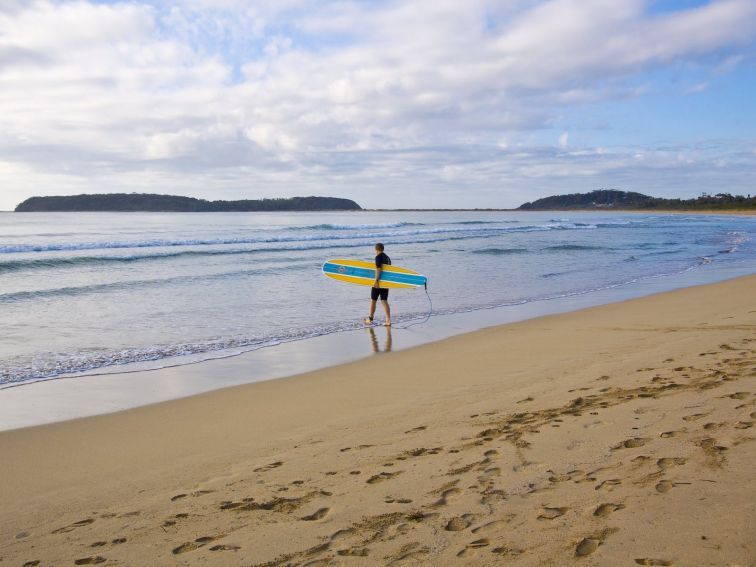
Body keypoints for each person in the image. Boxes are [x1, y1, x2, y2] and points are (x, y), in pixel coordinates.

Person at [364, 243, 391, 326]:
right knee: (384, 300)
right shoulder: (387, 258)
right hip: (385, 283)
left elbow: (378, 269)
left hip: (379, 282)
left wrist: (376, 280)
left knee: (373, 300)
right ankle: (388, 320)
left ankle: (370, 319)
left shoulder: (378, 257)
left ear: (376, 249)